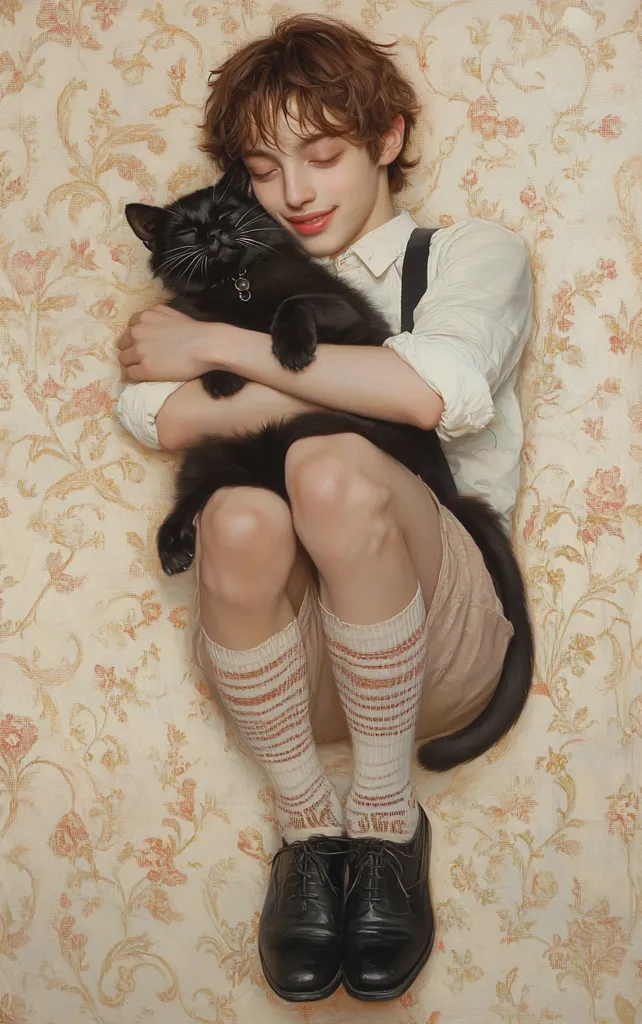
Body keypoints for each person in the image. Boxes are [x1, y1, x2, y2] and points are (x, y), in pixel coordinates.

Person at [116, 14, 532, 1004]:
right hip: (285, 673)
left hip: (441, 636)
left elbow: (437, 391)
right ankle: (312, 835)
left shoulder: (470, 254)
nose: (295, 192)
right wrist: (285, 376)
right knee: (237, 518)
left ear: (387, 138)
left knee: (330, 469)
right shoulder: (210, 271)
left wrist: (220, 352)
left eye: (324, 153)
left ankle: (385, 828)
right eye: (263, 168)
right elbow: (160, 415)